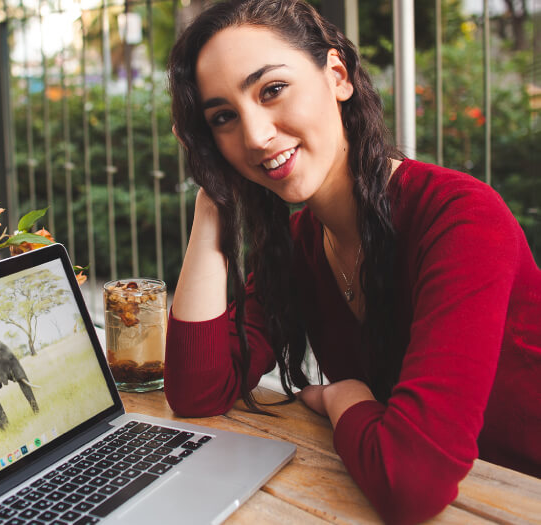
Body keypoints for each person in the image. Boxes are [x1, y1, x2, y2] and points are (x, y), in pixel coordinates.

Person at [163, 0, 541, 523]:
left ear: (336, 75)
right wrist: (212, 205)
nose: (254, 136)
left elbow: (412, 482)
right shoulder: (300, 244)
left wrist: (344, 400)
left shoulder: (461, 219)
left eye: (272, 90)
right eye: (223, 117)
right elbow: (197, 391)